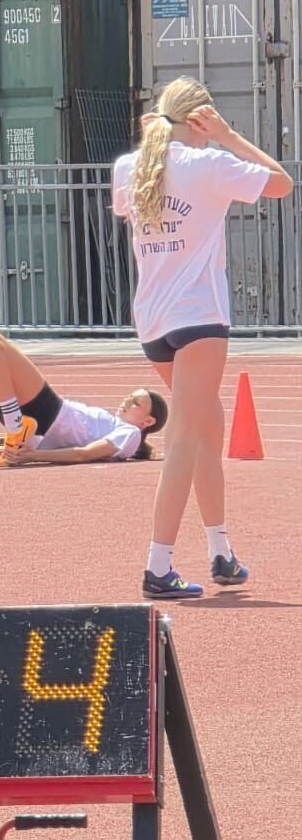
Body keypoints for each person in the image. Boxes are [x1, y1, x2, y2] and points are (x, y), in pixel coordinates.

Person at [112, 77, 293, 599]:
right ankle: (158, 566)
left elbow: (130, 207)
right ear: (200, 120)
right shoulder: (209, 163)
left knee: (209, 427)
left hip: (154, 322)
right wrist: (229, 136)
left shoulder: (129, 166)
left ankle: (221, 552)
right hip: (198, 317)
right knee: (186, 438)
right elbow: (282, 184)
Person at [0, 323, 168, 466]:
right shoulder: (113, 424)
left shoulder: (130, 433)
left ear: (148, 421)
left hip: (48, 413)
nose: (127, 401)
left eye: (136, 403)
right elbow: (24, 450)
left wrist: (34, 456)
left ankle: (13, 427)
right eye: (130, 396)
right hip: (29, 424)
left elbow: (84, 454)